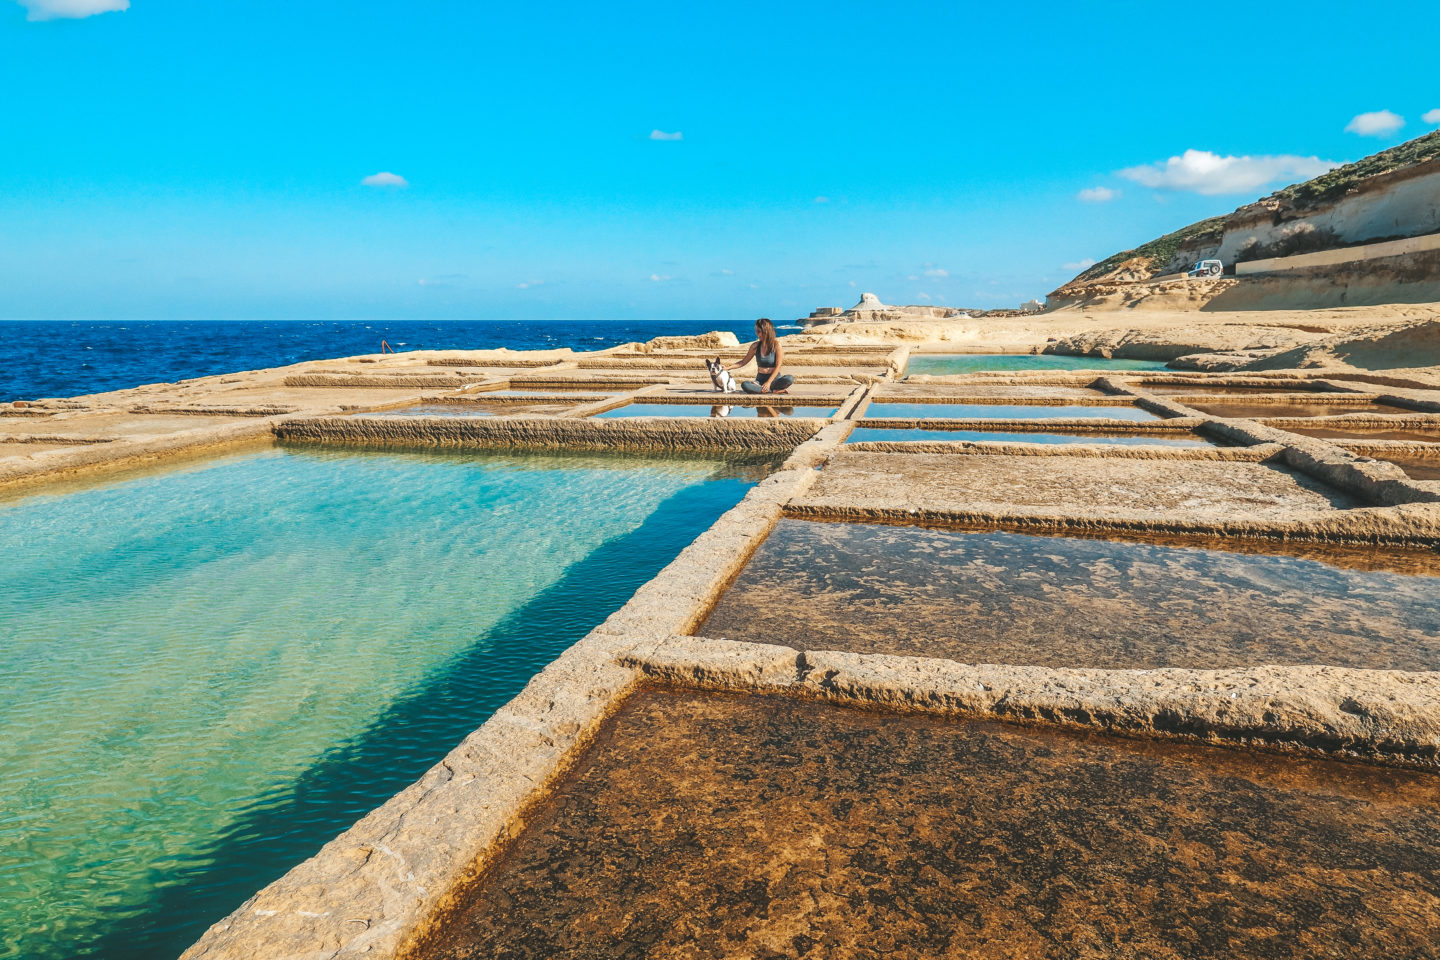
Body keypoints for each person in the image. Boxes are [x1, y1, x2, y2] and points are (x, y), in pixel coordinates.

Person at [725, 318, 794, 394]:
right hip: (760, 380)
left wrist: (768, 382)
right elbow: (743, 362)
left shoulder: (776, 345)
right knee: (745, 385)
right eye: (756, 331)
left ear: (766, 331)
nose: (757, 334)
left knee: (789, 378)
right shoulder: (754, 346)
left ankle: (766, 390)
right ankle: (773, 391)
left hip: (774, 380)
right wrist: (727, 368)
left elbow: (778, 366)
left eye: (758, 331)